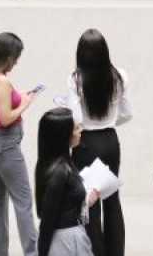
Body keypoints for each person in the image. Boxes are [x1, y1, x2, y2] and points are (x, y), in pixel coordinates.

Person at [65, 29, 132, 256]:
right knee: (112, 200)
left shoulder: (75, 79)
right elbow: (127, 113)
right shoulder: (120, 76)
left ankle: (95, 252)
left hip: (85, 144)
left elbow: (77, 119)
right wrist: (110, 121)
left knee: (89, 202)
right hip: (110, 142)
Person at [0, 32, 39, 256]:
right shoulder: (2, 81)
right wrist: (26, 104)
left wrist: (18, 95)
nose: (16, 62)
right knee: (23, 201)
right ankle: (33, 252)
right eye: (16, 57)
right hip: (5, 146)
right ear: (8, 56)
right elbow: (5, 118)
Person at [35, 107, 99, 256]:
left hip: (72, 237)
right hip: (65, 244)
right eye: (76, 128)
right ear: (64, 136)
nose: (81, 130)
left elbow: (64, 202)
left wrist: (86, 201)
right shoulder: (59, 173)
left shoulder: (63, 163)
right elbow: (47, 221)